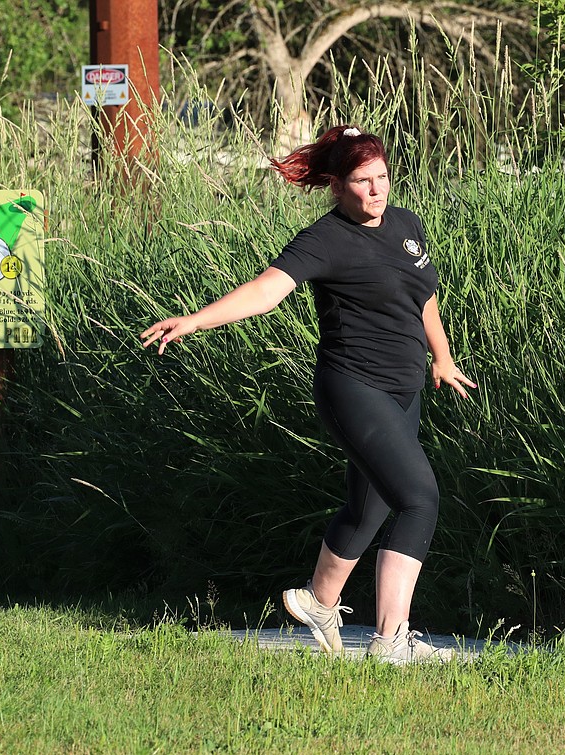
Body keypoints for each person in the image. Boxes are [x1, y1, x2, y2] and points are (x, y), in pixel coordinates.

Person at [141, 125, 476, 663]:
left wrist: (442, 356)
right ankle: (392, 642)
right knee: (418, 498)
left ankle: (320, 602)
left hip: (404, 386)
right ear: (336, 186)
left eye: (383, 178)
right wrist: (197, 321)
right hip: (353, 385)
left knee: (367, 509)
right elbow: (266, 291)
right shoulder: (325, 240)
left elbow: (424, 297)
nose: (377, 190)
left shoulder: (405, 225)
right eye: (363, 181)